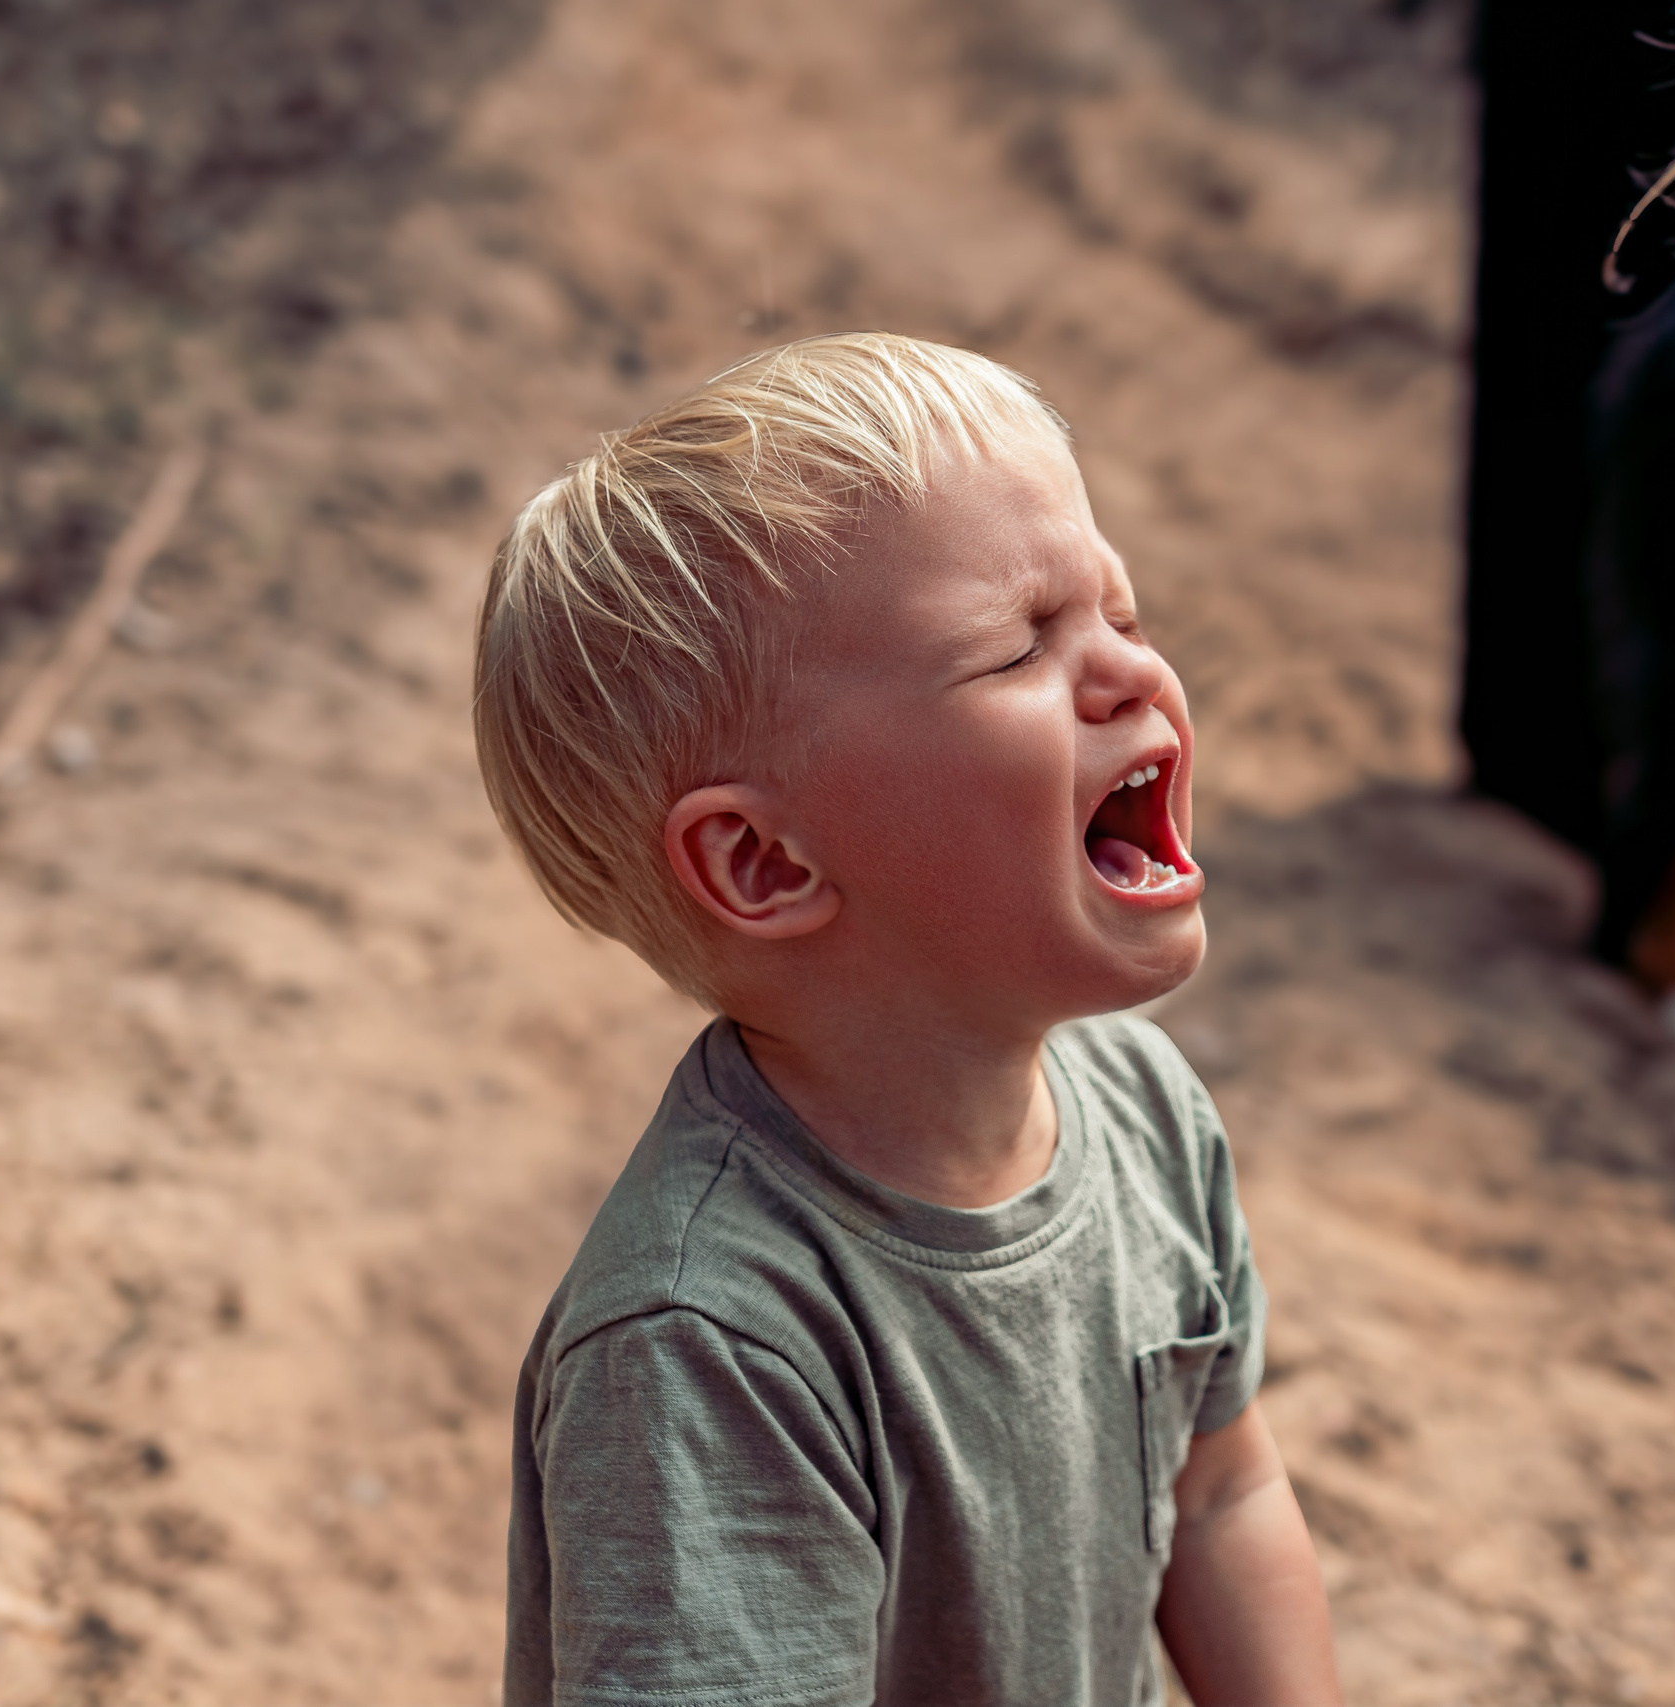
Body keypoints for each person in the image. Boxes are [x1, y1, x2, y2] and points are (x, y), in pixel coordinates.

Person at [471, 333, 1339, 1707]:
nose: (1127, 673)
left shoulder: (1147, 1110)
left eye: (1119, 611)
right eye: (1017, 650)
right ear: (767, 865)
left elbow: (1222, 1488)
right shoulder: (711, 1339)